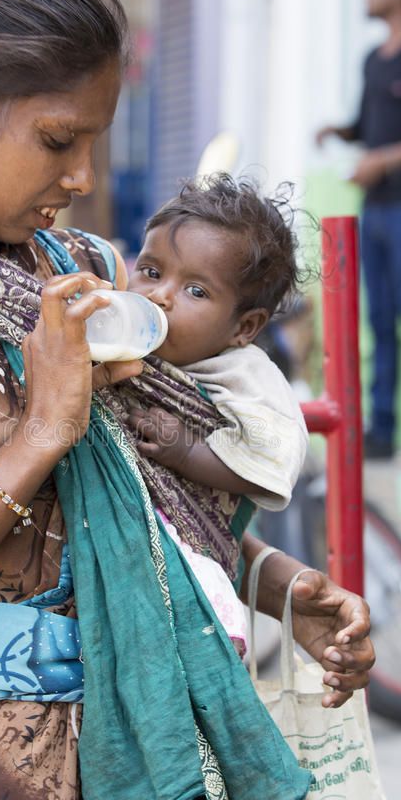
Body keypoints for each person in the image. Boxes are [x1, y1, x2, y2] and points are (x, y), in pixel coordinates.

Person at [0, 0, 374, 800]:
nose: (81, 176)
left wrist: (279, 587)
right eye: (57, 139)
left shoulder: (83, 273)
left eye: (93, 142)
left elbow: (135, 523)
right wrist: (41, 431)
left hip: (166, 788)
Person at [126, 174, 309, 656]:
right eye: (150, 271)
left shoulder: (245, 376)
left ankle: (213, 625)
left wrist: (188, 451)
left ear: (244, 327)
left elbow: (272, 460)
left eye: (196, 292)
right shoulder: (123, 336)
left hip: (196, 548)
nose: (160, 295)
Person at [316, 0, 401, 460]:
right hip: (375, 209)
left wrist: (382, 161)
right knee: (378, 318)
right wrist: (340, 132)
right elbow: (367, 127)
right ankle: (381, 430)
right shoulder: (372, 62)